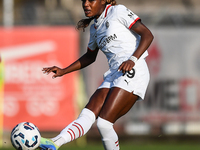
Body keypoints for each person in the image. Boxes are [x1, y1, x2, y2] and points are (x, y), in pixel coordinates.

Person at [39, 0, 153, 150]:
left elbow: (147, 35)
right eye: (83, 0)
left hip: (134, 69)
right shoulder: (95, 27)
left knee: (104, 123)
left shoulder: (117, 11)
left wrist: (132, 59)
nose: (86, 4)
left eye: (91, 0)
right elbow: (90, 57)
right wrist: (63, 70)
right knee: (86, 115)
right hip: (115, 73)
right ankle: (54, 143)